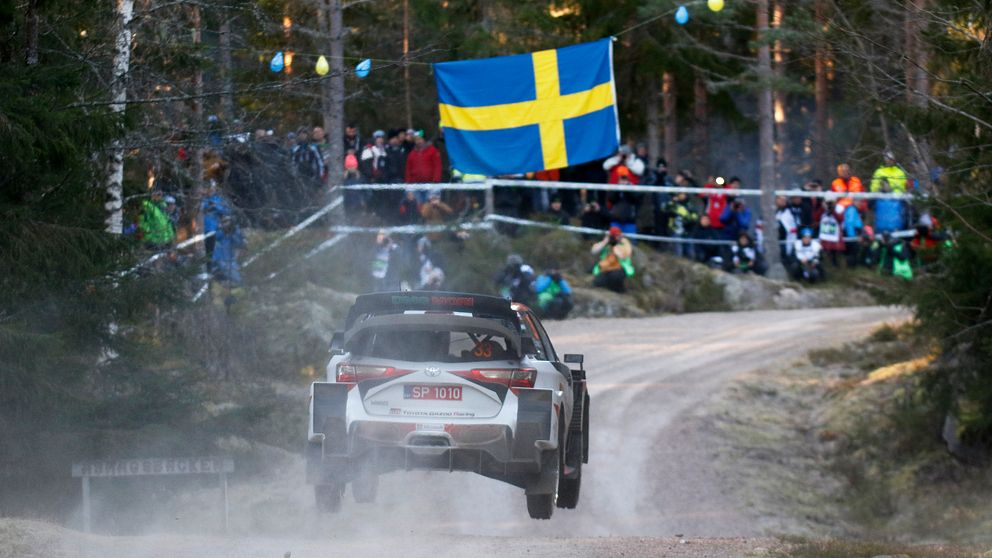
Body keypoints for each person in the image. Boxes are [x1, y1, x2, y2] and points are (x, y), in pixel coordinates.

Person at [591, 226, 634, 293]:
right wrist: (604, 242)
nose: (616, 237)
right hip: (606, 269)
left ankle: (621, 291)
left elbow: (623, 256)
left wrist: (615, 246)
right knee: (597, 282)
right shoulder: (607, 243)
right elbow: (593, 251)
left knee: (615, 277)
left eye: (617, 235)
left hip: (620, 268)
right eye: (614, 236)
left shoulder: (624, 243)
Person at [662, 192, 699, 259]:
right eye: (679, 194)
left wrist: (686, 217)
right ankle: (678, 260)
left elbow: (694, 217)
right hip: (675, 229)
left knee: (689, 249)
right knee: (677, 248)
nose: (681, 196)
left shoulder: (690, 206)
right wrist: (672, 202)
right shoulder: (674, 204)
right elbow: (664, 209)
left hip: (687, 230)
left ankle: (691, 262)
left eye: (683, 194)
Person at [212, 215, 244, 286]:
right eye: (223, 222)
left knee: (238, 280)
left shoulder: (235, 233)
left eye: (226, 222)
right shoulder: (218, 233)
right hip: (217, 262)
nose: (225, 224)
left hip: (229, 261)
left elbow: (239, 243)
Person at [201, 183, 231, 260]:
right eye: (209, 189)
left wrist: (215, 206)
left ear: (215, 189)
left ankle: (210, 269)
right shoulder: (202, 199)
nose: (210, 190)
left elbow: (226, 211)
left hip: (212, 230)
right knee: (201, 253)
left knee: (211, 252)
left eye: (212, 189)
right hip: (200, 231)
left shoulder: (218, 199)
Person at [818, 199, 845, 267]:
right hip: (825, 233)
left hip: (835, 233)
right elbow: (816, 217)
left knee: (834, 251)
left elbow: (840, 219)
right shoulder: (822, 208)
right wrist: (822, 208)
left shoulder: (839, 208)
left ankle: (835, 265)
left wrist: (832, 210)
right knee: (824, 250)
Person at [775, 195, 798, 264]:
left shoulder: (788, 212)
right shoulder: (775, 211)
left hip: (787, 238)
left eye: (784, 200)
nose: (782, 201)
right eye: (780, 199)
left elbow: (786, 228)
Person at [841, 202, 864, 267]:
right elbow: (850, 223)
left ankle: (852, 265)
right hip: (852, 235)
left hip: (853, 233)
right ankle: (851, 265)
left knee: (853, 250)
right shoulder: (852, 210)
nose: (860, 204)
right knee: (853, 250)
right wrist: (853, 236)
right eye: (859, 202)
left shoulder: (853, 210)